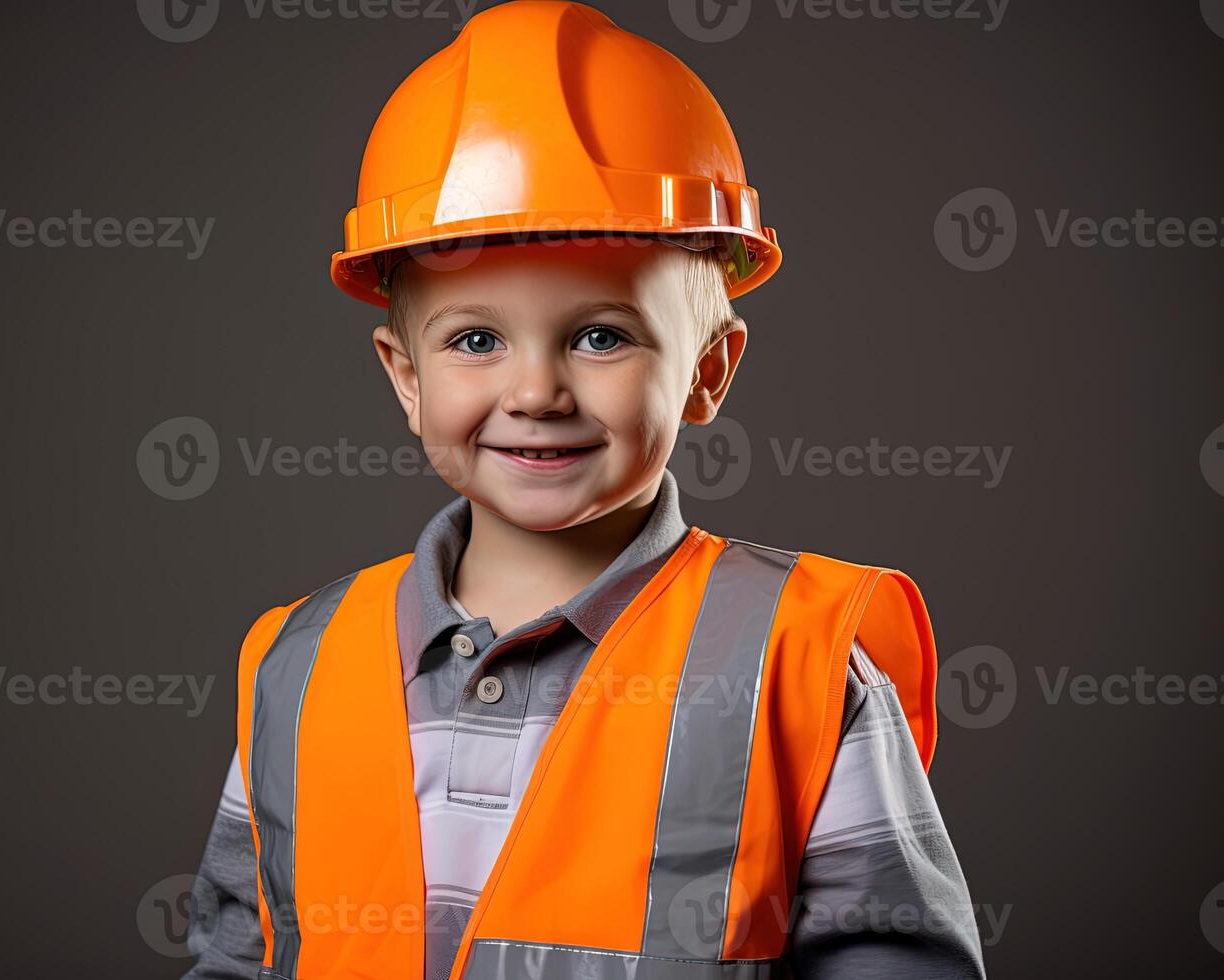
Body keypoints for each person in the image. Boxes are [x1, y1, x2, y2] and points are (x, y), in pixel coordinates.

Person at [184, 3, 985, 978]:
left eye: (601, 335)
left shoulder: (798, 667)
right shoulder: (298, 668)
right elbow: (237, 956)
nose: (535, 391)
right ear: (405, 375)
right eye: (475, 340)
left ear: (707, 370)